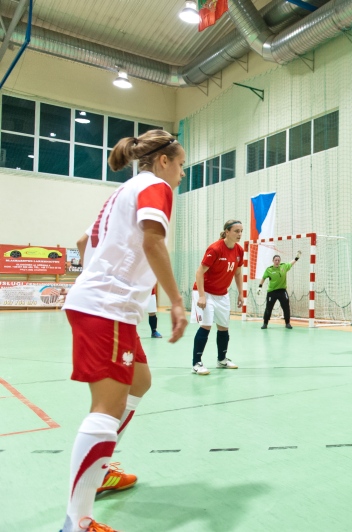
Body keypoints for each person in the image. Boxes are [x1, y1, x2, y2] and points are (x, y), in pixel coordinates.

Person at [60, 130, 188, 532]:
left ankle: (102, 467)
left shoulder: (126, 188)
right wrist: (177, 301)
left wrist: (98, 276)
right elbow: (153, 241)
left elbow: (83, 241)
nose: (183, 174)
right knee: (106, 408)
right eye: (181, 164)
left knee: (140, 382)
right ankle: (77, 522)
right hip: (108, 309)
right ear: (164, 161)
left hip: (108, 306)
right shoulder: (155, 186)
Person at [191, 220, 244, 375]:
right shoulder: (215, 249)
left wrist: (241, 293)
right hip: (205, 292)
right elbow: (199, 272)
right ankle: (197, 363)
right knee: (206, 325)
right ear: (227, 232)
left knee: (223, 327)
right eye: (236, 231)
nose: (239, 234)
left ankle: (222, 359)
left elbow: (238, 273)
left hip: (222, 294)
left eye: (241, 231)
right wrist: (201, 296)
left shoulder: (239, 251)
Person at [257, 251, 302, 329]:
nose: (277, 261)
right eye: (276, 260)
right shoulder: (269, 269)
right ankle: (265, 323)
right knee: (268, 308)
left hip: (282, 291)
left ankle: (287, 323)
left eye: (278, 260)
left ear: (280, 261)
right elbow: (263, 278)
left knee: (286, 307)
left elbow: (291, 263)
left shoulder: (284, 266)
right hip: (272, 292)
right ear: (273, 261)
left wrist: (297, 258)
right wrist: (260, 287)